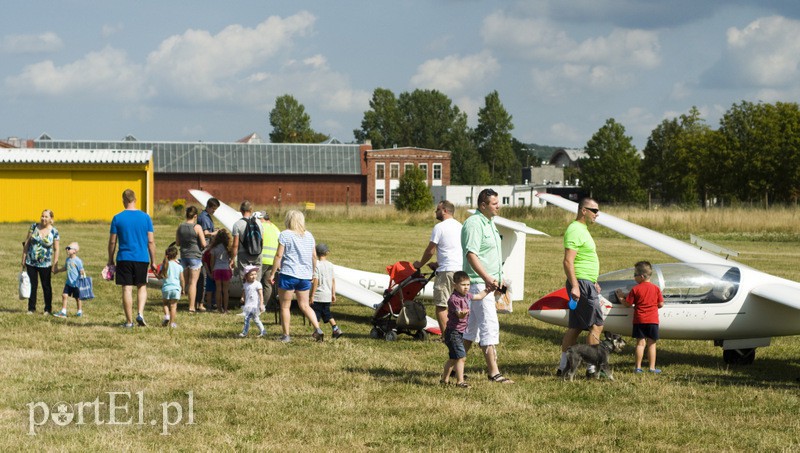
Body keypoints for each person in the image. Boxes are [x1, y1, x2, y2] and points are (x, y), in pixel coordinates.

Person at [461, 188, 513, 384]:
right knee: (489, 326)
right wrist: (487, 278)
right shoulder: (474, 224)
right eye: (494, 203)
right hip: (478, 284)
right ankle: (494, 373)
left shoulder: (490, 222)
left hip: (489, 284)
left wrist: (499, 279)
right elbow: (471, 254)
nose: (498, 206)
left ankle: (456, 367)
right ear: (483, 205)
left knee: (470, 330)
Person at [557, 198, 604, 377]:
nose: (597, 214)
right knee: (596, 325)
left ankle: (563, 368)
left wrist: (593, 280)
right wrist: (576, 286)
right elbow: (568, 261)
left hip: (586, 282)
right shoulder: (575, 229)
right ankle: (592, 369)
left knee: (576, 327)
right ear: (583, 210)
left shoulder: (582, 229)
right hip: (582, 284)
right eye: (594, 210)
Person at [267, 210, 325, 343]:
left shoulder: (285, 234)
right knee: (305, 305)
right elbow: (314, 256)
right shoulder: (309, 236)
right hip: (305, 275)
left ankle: (286, 335)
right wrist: (312, 272)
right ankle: (317, 328)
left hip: (289, 274)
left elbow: (279, 255)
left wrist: (272, 273)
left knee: (285, 306)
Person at [440, 271, 500, 388]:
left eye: (468, 285)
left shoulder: (466, 295)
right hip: (453, 333)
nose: (466, 287)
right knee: (460, 357)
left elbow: (479, 296)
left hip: (458, 333)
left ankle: (444, 380)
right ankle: (460, 382)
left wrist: (488, 289)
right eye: (463, 285)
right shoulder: (454, 299)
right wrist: (462, 314)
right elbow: (459, 314)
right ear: (455, 285)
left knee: (453, 358)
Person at [108, 189, 157, 328]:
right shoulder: (146, 217)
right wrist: (153, 261)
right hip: (142, 257)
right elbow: (151, 241)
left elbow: (112, 242)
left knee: (127, 289)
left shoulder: (117, 218)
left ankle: (129, 322)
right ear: (135, 200)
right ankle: (140, 313)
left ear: (123, 201)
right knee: (142, 286)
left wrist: (110, 259)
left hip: (124, 257)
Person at [413, 200, 462, 335]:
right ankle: (459, 334)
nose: (436, 212)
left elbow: (430, 250)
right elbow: (454, 250)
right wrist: (438, 264)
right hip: (460, 270)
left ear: (445, 210)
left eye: (438, 209)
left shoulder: (439, 227)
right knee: (457, 305)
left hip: (446, 271)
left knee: (441, 305)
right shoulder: (460, 226)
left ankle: (447, 337)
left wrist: (420, 264)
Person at [617, 261, 664, 374]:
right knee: (652, 344)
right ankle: (652, 368)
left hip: (639, 320)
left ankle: (638, 367)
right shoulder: (656, 288)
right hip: (653, 320)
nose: (634, 277)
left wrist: (620, 297)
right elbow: (661, 304)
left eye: (635, 275)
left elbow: (628, 304)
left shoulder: (635, 289)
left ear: (642, 276)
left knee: (640, 344)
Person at [22, 209, 60, 315]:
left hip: (45, 264)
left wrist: (55, 264)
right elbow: (27, 243)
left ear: (51, 218)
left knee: (46, 286)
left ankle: (48, 309)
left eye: (46, 216)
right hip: (31, 262)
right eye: (42, 216)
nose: (43, 218)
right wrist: (23, 258)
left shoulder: (54, 232)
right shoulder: (33, 227)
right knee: (32, 285)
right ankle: (31, 308)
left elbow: (56, 249)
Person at [176, 206, 207, 312]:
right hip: (195, 257)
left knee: (186, 282)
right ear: (195, 216)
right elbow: (204, 244)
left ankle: (178, 302)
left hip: (184, 256)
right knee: (193, 283)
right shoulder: (197, 227)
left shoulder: (180, 226)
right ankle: (191, 307)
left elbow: (177, 243)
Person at [311, 243, 342, 339]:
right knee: (327, 313)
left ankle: (318, 331)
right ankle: (336, 329)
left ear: (316, 253)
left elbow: (315, 280)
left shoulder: (317, 265)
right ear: (327, 253)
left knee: (316, 315)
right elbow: (333, 280)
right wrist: (333, 294)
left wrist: (312, 295)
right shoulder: (330, 265)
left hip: (318, 295)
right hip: (327, 295)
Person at [231, 201, 262, 282]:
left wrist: (233, 259)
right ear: (251, 210)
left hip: (243, 255)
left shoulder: (237, 224)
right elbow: (262, 239)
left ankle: (246, 289)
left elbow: (235, 245)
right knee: (257, 280)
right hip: (257, 254)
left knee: (244, 280)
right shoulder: (259, 222)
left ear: (241, 210)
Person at [197, 198, 219, 309]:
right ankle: (201, 302)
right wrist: (216, 233)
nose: (214, 211)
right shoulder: (205, 218)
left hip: (207, 248)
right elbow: (206, 233)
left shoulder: (206, 216)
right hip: (204, 249)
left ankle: (203, 300)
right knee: (204, 276)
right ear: (209, 207)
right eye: (213, 209)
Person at [53, 242, 84, 318]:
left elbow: (81, 270)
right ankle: (63, 312)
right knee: (64, 295)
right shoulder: (67, 260)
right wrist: (58, 270)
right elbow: (65, 267)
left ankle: (79, 311)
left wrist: (82, 276)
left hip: (76, 283)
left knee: (78, 298)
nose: (67, 250)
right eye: (66, 248)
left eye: (69, 248)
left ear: (74, 251)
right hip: (69, 282)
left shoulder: (78, 261)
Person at [158, 244, 184, 329]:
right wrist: (183, 289)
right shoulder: (179, 266)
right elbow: (182, 279)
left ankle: (167, 316)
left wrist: (155, 272)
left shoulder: (164, 265)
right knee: (173, 306)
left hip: (166, 288)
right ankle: (172, 323)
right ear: (176, 255)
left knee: (165, 304)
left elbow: (159, 277)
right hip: (176, 288)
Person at [208, 229, 234, 314]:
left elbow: (212, 261)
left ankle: (219, 308)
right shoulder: (228, 247)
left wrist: (212, 270)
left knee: (218, 290)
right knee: (225, 291)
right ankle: (225, 309)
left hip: (217, 269)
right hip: (226, 269)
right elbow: (232, 258)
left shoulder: (214, 248)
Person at [259, 211, 281, 308]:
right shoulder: (276, 228)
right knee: (268, 284)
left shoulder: (261, 227)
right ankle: (264, 305)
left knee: (255, 283)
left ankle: (255, 305)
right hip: (273, 261)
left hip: (261, 259)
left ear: (262, 219)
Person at [239, 265, 266, 338]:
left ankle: (244, 332)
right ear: (246, 276)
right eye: (251, 275)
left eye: (255, 274)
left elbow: (261, 295)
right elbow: (244, 292)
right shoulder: (245, 284)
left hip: (255, 306)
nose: (254, 276)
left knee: (247, 318)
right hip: (248, 305)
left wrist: (261, 304)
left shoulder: (257, 284)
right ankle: (263, 331)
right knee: (255, 319)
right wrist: (242, 297)